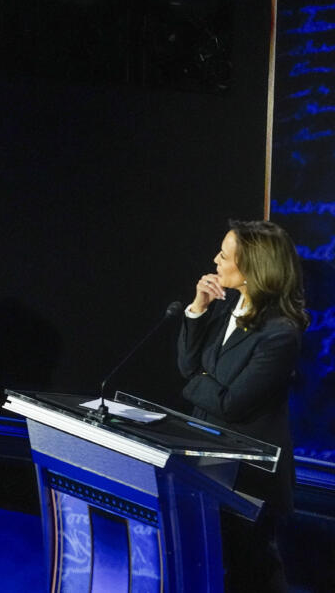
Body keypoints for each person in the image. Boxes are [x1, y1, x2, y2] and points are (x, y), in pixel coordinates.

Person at [178, 219, 308, 592]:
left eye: (225, 254)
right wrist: (198, 309)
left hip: (249, 477)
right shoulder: (224, 309)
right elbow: (188, 366)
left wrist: (196, 381)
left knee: (252, 574)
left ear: (252, 267)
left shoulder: (280, 333)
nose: (215, 260)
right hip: (207, 464)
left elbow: (232, 404)